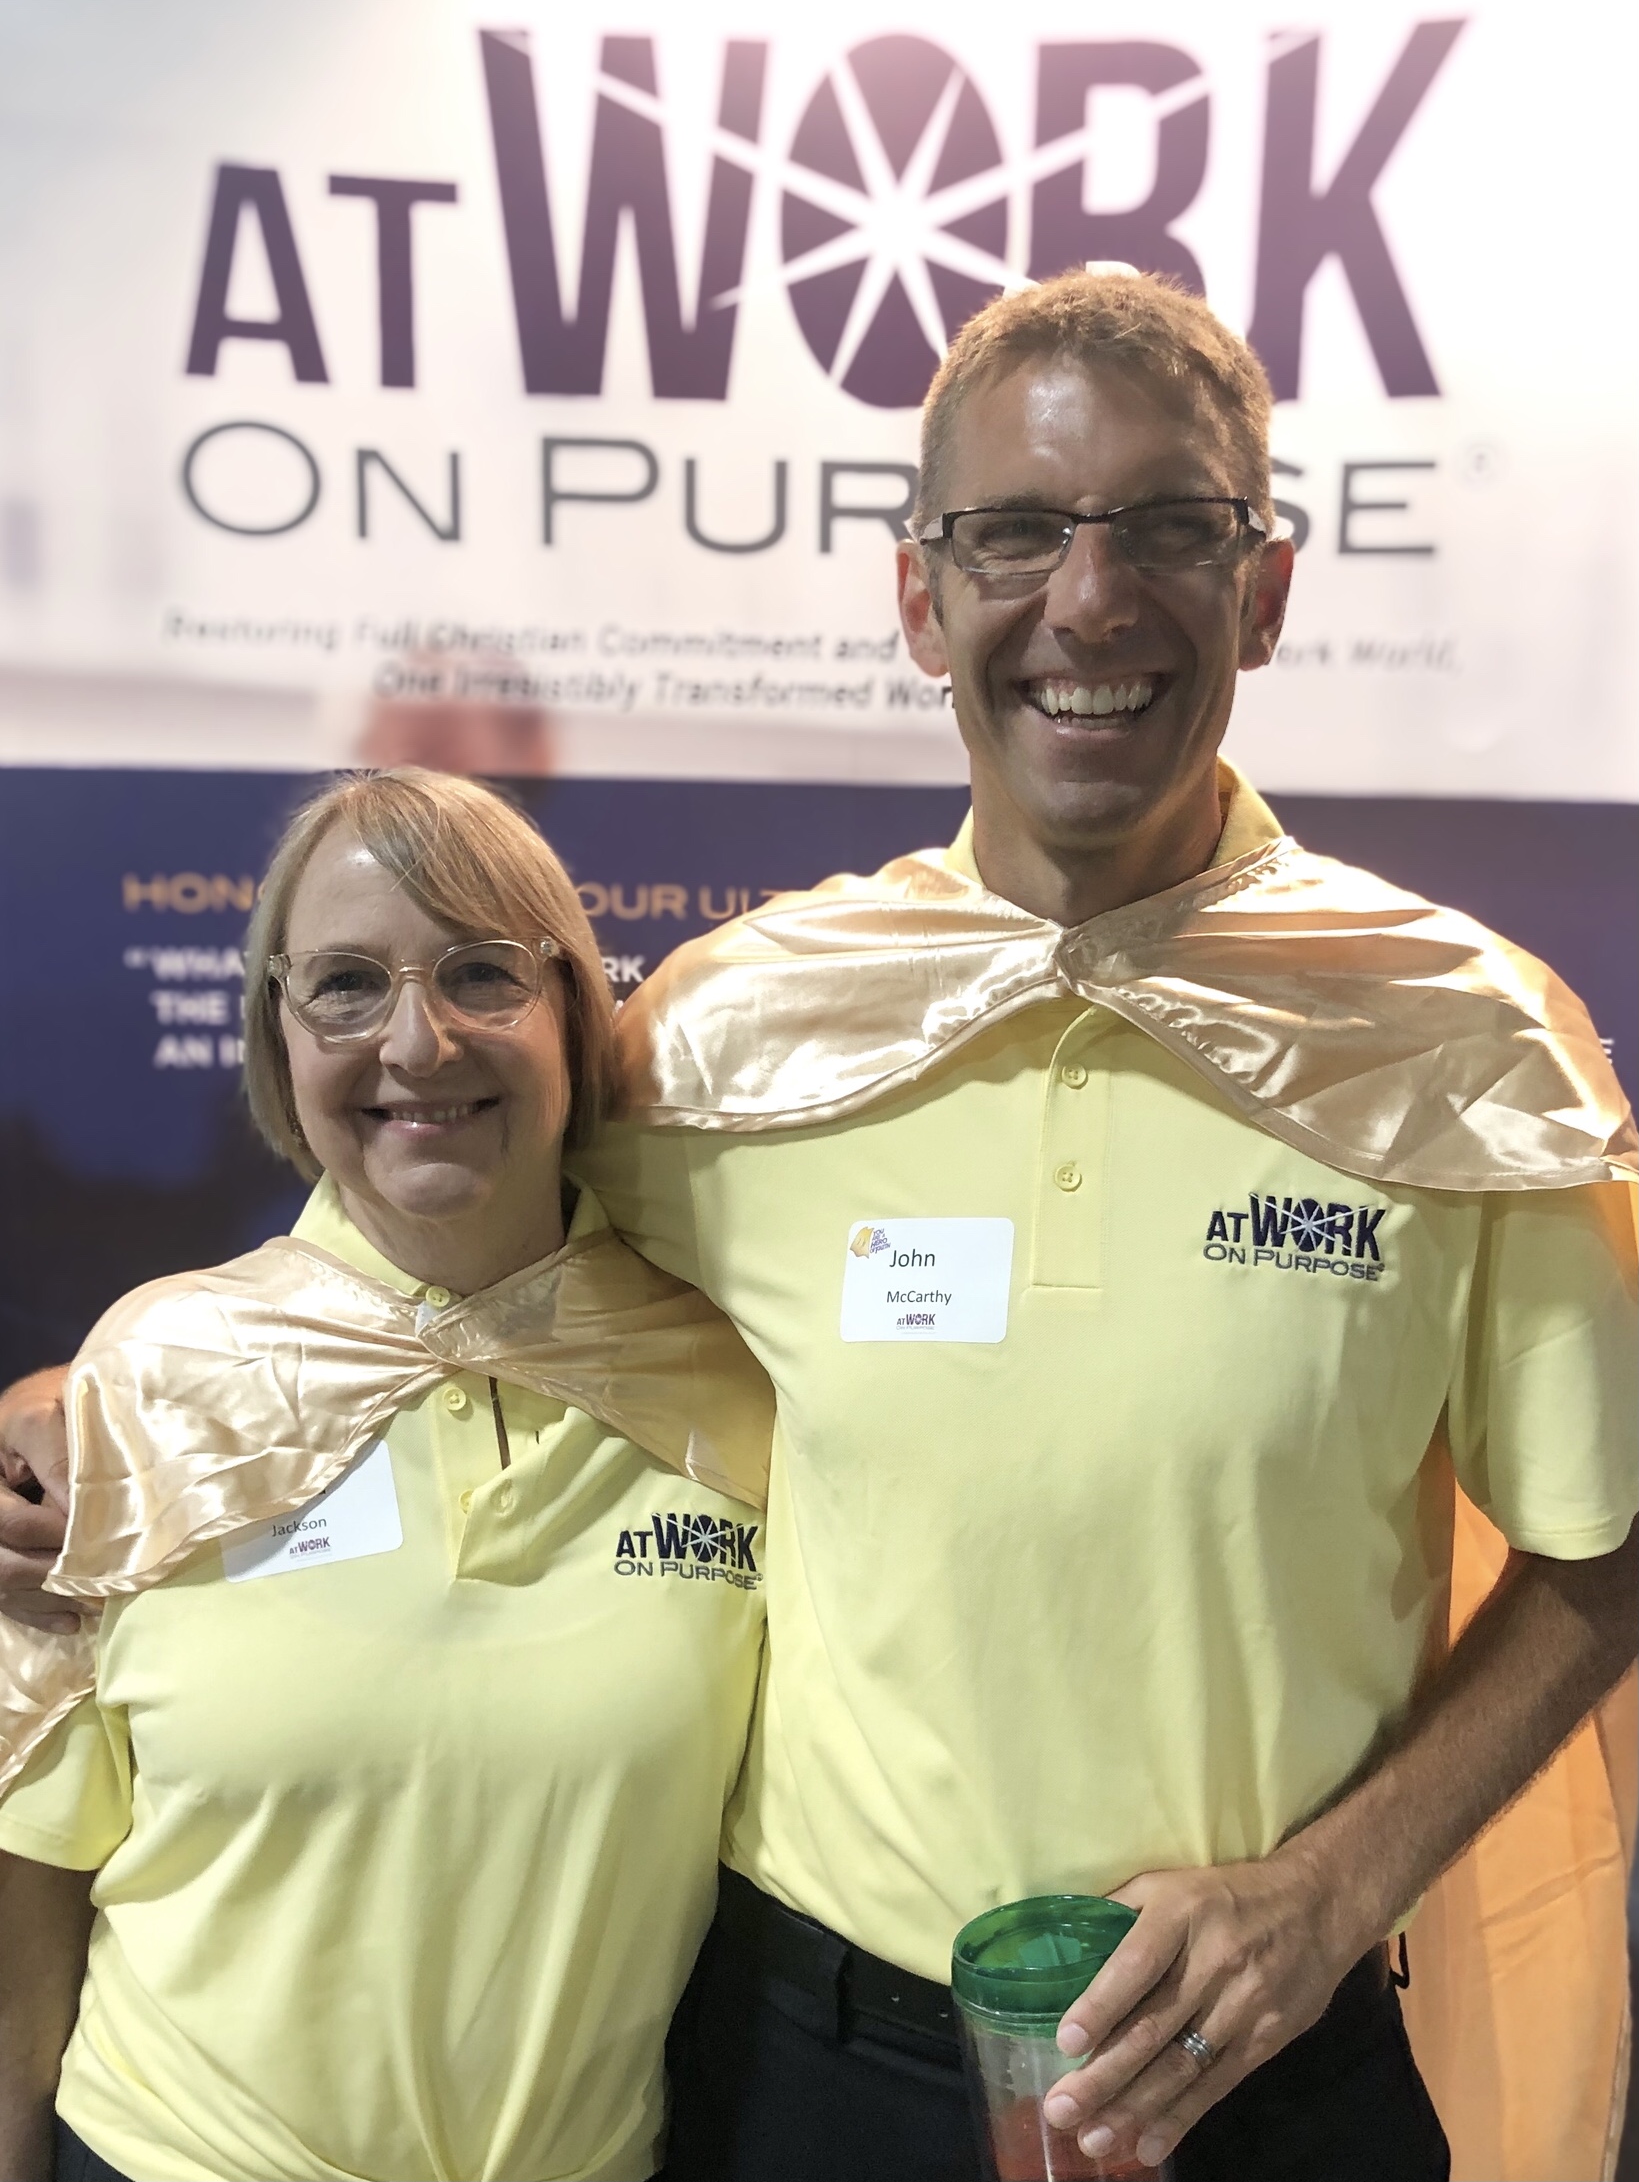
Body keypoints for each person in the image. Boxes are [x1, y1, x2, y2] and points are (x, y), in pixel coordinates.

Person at [3, 271, 1636, 2182]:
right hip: (809, 2068)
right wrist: (102, 1411)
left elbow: (1606, 1549)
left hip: (1260, 2067)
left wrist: (1333, 1887)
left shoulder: (1454, 1039)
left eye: (1170, 528)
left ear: (1264, 589)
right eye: (1014, 532)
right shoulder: (737, 1030)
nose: (1088, 600)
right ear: (919, 597)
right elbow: (428, 1245)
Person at [0, 769, 772, 2182]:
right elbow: (30, 1864)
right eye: (346, 986)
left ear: (573, 1012)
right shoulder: (153, 1374)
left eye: (482, 971)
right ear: (276, 1037)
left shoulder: (723, 1382)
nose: (419, 1041)